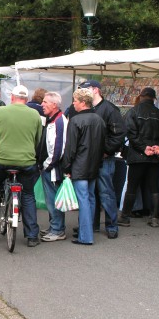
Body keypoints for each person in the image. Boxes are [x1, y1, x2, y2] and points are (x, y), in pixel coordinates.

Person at [0, 85, 42, 247]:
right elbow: (38, 139)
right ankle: (32, 236)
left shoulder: (1, 112)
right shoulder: (35, 114)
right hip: (27, 162)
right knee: (28, 195)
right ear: (27, 99)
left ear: (12, 97)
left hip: (2, 160)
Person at [78, 80, 126, 239]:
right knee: (91, 193)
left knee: (105, 192)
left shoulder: (110, 109)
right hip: (88, 158)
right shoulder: (89, 108)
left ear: (95, 90)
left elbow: (118, 134)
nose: (83, 92)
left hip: (104, 159)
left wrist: (106, 151)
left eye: (86, 90)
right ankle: (91, 225)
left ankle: (111, 226)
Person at [118, 87, 159, 228]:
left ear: (141, 96)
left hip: (137, 155)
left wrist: (143, 147)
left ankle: (125, 217)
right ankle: (154, 218)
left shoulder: (133, 112)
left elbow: (130, 132)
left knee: (132, 187)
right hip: (155, 157)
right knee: (154, 188)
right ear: (154, 99)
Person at [62, 88, 105, 245]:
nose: (73, 103)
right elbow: (102, 145)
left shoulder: (76, 121)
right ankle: (87, 230)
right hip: (94, 165)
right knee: (91, 198)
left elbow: (70, 148)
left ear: (82, 102)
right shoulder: (99, 120)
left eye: (75, 100)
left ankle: (85, 235)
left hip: (80, 166)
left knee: (84, 200)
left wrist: (66, 168)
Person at [37, 92, 68, 242]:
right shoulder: (53, 120)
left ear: (54, 105)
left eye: (45, 102)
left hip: (53, 169)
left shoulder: (58, 122)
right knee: (52, 200)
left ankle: (58, 229)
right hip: (50, 167)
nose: (42, 105)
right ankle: (55, 226)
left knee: (54, 200)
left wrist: (46, 165)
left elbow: (58, 149)